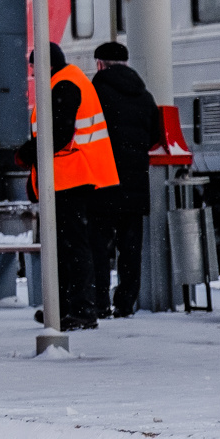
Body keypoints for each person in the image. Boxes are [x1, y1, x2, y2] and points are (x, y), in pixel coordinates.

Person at [19, 43, 120, 330]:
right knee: (67, 246)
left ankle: (82, 309)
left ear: (44, 66)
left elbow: (59, 134)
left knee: (72, 247)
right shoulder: (67, 80)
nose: (32, 75)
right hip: (70, 177)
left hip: (73, 177)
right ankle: (65, 306)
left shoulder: (64, 85)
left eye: (33, 69)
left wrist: (27, 153)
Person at [90, 40, 161, 317]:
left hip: (103, 181)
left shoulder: (95, 92)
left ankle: (99, 302)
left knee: (99, 246)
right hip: (135, 184)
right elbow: (154, 136)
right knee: (130, 248)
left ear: (100, 64)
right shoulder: (145, 96)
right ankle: (125, 303)